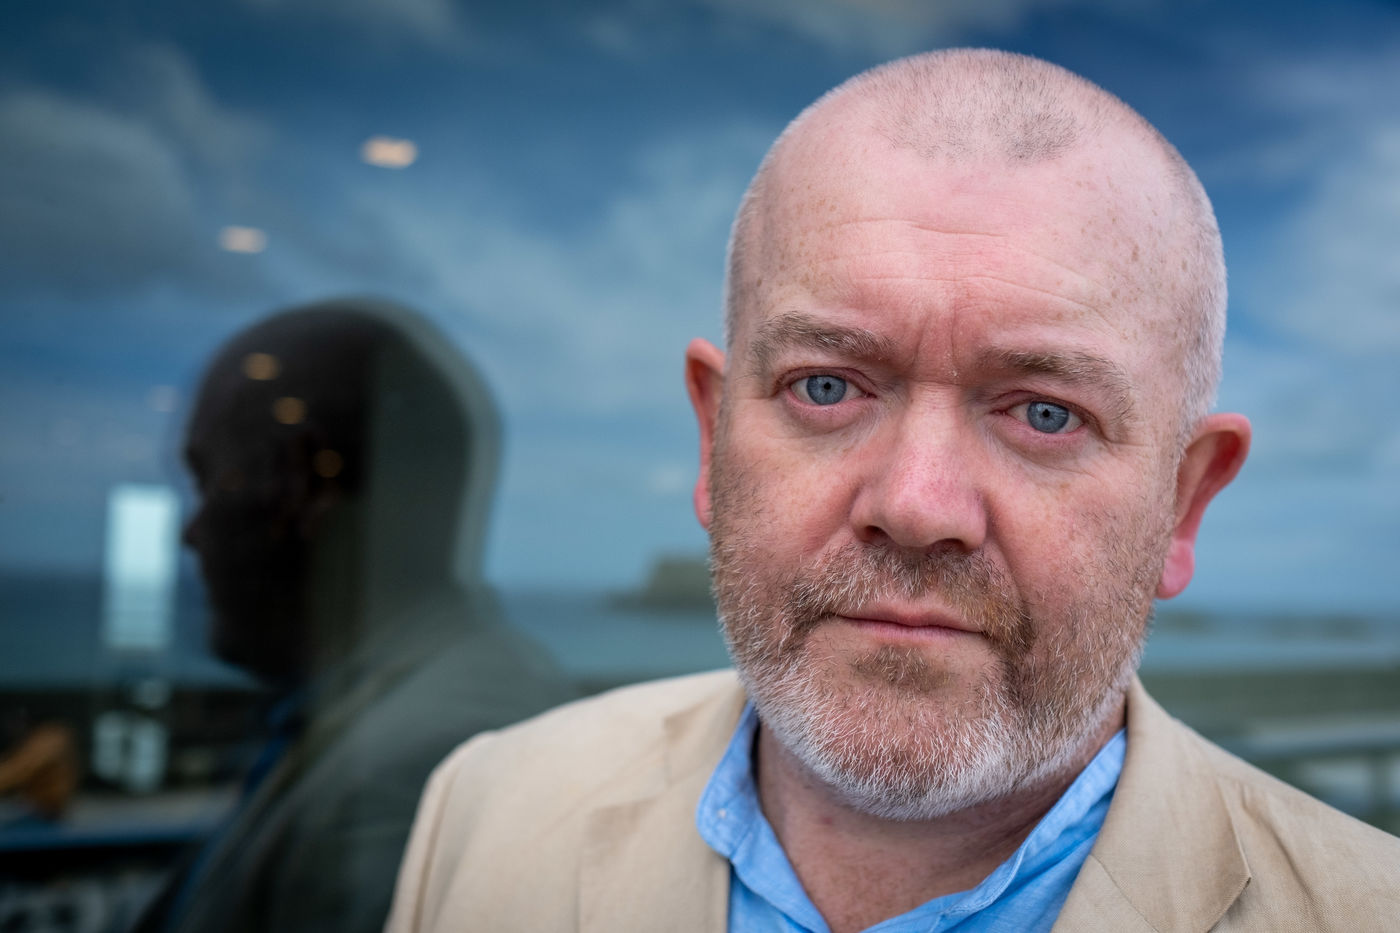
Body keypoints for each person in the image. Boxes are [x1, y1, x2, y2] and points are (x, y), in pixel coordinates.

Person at [385, 50, 1400, 933]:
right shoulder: (486, 813)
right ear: (713, 438)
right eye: (825, 387)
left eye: (1045, 412)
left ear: (1182, 503)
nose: (915, 506)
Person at [133, 299, 573, 933]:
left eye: (215, 482)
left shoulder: (417, 765)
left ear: (303, 486)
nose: (192, 532)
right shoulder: (374, 710)